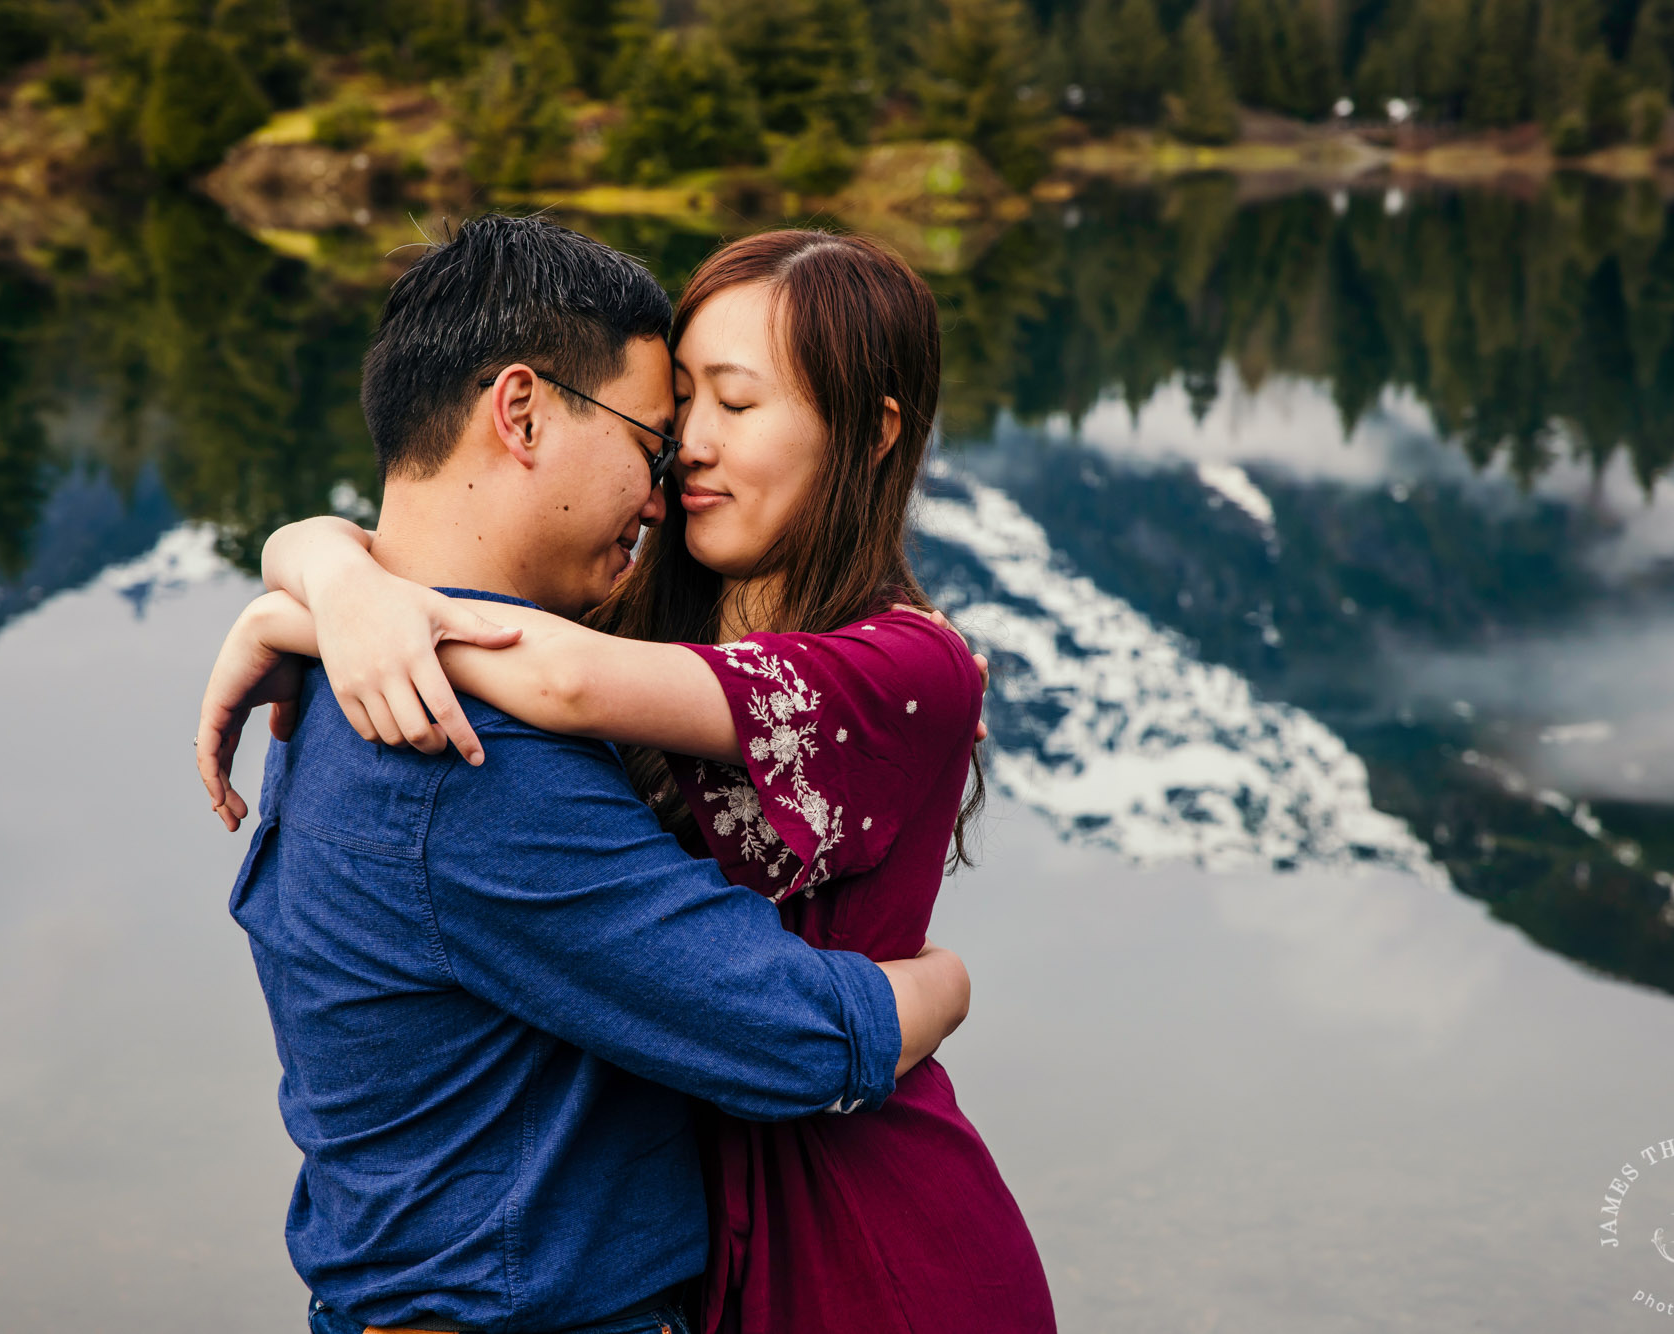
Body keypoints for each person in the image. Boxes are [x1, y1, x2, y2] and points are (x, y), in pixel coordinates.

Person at [201, 226, 1056, 1331]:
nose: (679, 463)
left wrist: (326, 592)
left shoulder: (867, 662)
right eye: (668, 419)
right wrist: (321, 577)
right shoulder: (490, 715)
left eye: (730, 406)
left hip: (856, 1231)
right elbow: (794, 1027)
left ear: (867, 431)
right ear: (521, 412)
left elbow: (556, 677)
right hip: (686, 1234)